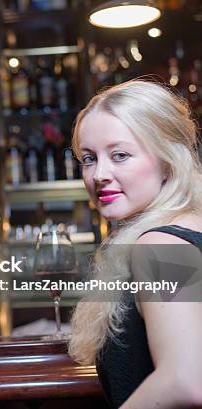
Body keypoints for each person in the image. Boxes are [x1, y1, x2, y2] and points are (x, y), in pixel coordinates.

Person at [68, 79, 202, 408]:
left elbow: (184, 382)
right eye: (88, 159)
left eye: (120, 155)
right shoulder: (185, 232)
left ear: (168, 161)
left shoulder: (160, 244)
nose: (99, 174)